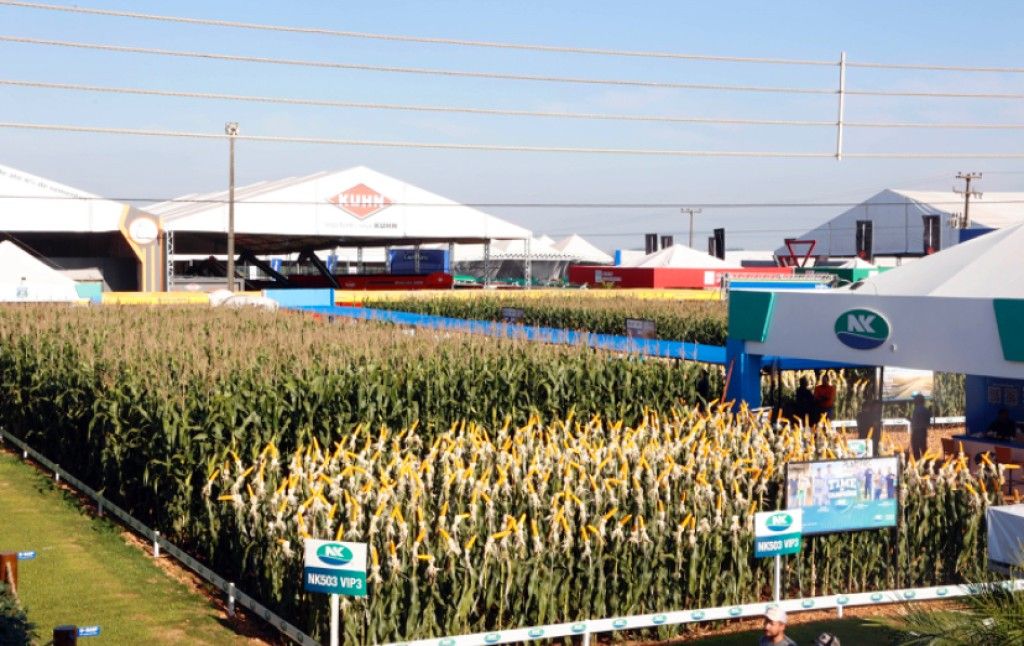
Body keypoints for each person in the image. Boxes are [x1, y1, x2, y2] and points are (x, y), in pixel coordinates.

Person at [910, 393, 932, 459]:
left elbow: (914, 422)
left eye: (915, 400)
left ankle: (917, 463)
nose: (914, 401)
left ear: (917, 401)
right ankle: (925, 463)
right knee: (923, 448)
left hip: (916, 432)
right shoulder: (926, 410)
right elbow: (928, 423)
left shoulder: (916, 410)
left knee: (916, 449)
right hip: (923, 431)